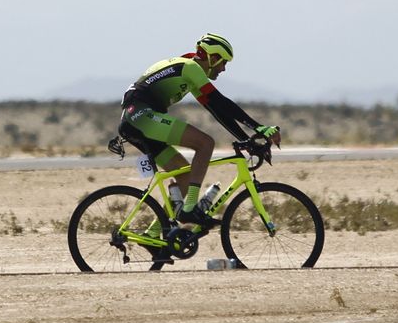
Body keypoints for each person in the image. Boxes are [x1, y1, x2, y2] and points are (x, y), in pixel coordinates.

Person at [119, 33, 280, 229]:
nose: (223, 68)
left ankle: (154, 232)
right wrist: (259, 127)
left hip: (135, 121)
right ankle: (189, 209)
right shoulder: (190, 67)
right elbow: (221, 101)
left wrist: (246, 140)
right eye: (223, 62)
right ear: (213, 58)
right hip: (141, 117)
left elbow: (217, 110)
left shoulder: (188, 71)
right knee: (205, 144)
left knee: (185, 175)